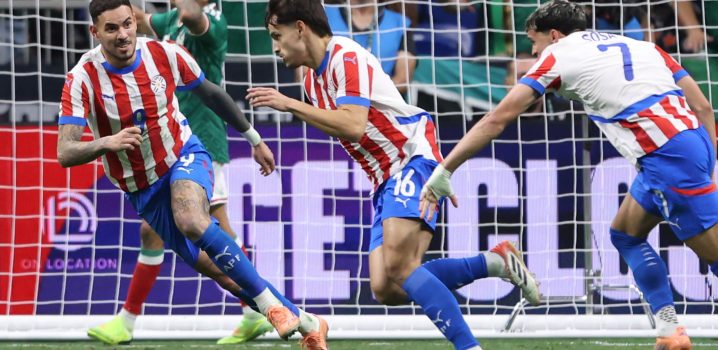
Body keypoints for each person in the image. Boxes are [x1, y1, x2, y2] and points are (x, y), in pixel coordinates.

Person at [420, 1, 717, 349]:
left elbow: (496, 120)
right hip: (687, 143)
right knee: (625, 234)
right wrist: (707, 156)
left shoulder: (558, 55)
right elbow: (702, 106)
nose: (533, 51)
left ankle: (672, 333)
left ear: (556, 35)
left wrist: (445, 168)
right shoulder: (644, 46)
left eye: (535, 42)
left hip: (666, 156)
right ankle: (670, 332)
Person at [247, 1, 540, 349]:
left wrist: (290, 104)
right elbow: (347, 129)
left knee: (401, 266)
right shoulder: (312, 81)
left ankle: (469, 346)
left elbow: (354, 125)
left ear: (300, 28)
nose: (275, 47)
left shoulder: (345, 56)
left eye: (277, 36)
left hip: (411, 155)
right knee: (386, 287)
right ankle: (496, 261)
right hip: (384, 177)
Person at [58, 1, 328, 349]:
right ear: (95, 32)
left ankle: (268, 309)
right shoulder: (81, 79)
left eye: (128, 24)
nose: (124, 34)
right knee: (218, 267)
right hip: (143, 187)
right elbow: (65, 153)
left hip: (187, 152)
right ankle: (305, 321)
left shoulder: (172, 48)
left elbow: (212, 93)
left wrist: (254, 139)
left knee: (192, 219)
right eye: (112, 29)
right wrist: (107, 142)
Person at [85, 0, 273, 345]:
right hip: (169, 141)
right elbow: (139, 20)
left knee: (210, 231)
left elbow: (189, 14)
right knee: (161, 231)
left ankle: (262, 308)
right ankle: (255, 311)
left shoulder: (211, 23)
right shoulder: (170, 20)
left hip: (200, 140)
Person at [324, 0, 415, 93]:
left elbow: (403, 79)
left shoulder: (401, 23)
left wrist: (362, 96)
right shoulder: (324, 14)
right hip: (331, 100)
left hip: (381, 102)